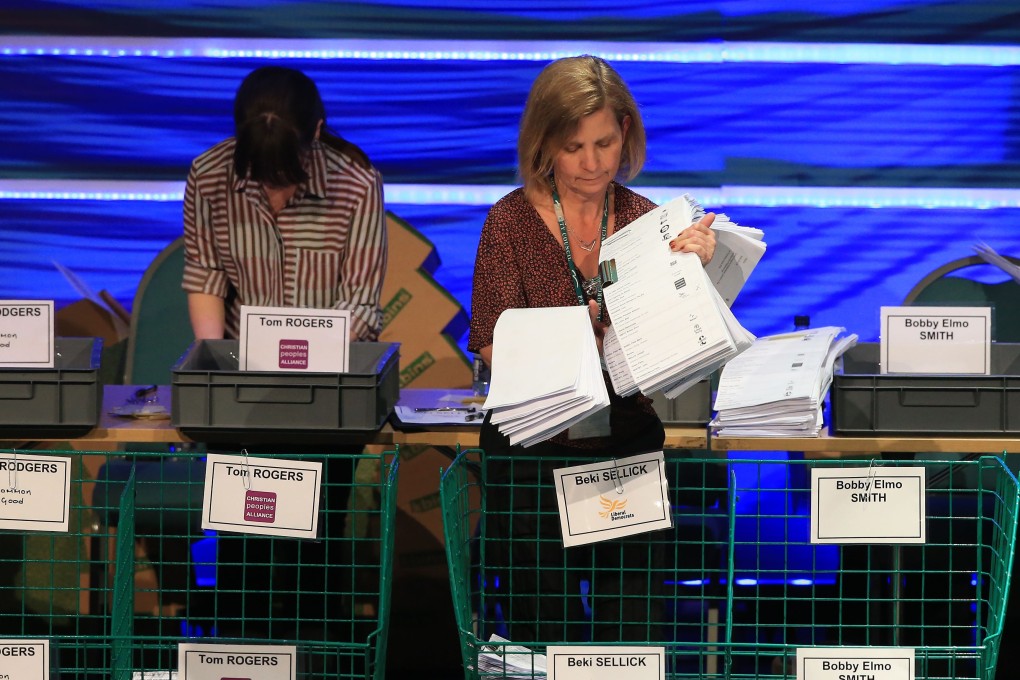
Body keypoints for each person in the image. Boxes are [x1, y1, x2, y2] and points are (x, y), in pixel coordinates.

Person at [468, 55, 717, 644]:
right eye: (573, 146)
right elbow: (490, 343)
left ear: (625, 132)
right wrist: (574, 334)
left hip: (625, 444)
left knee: (630, 634)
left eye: (604, 142)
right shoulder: (507, 221)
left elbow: (677, 346)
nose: (591, 163)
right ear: (544, 142)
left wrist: (698, 276)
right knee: (543, 633)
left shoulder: (647, 221)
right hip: (533, 453)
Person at [179, 65, 387, 651]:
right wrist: (216, 369)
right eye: (262, 179)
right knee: (245, 555)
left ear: (316, 133)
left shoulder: (357, 182)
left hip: (327, 404)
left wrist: (305, 367)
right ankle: (244, 659)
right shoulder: (208, 175)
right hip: (242, 401)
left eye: (287, 180)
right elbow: (206, 279)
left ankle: (315, 661)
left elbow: (362, 302)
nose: (275, 193)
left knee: (312, 557)